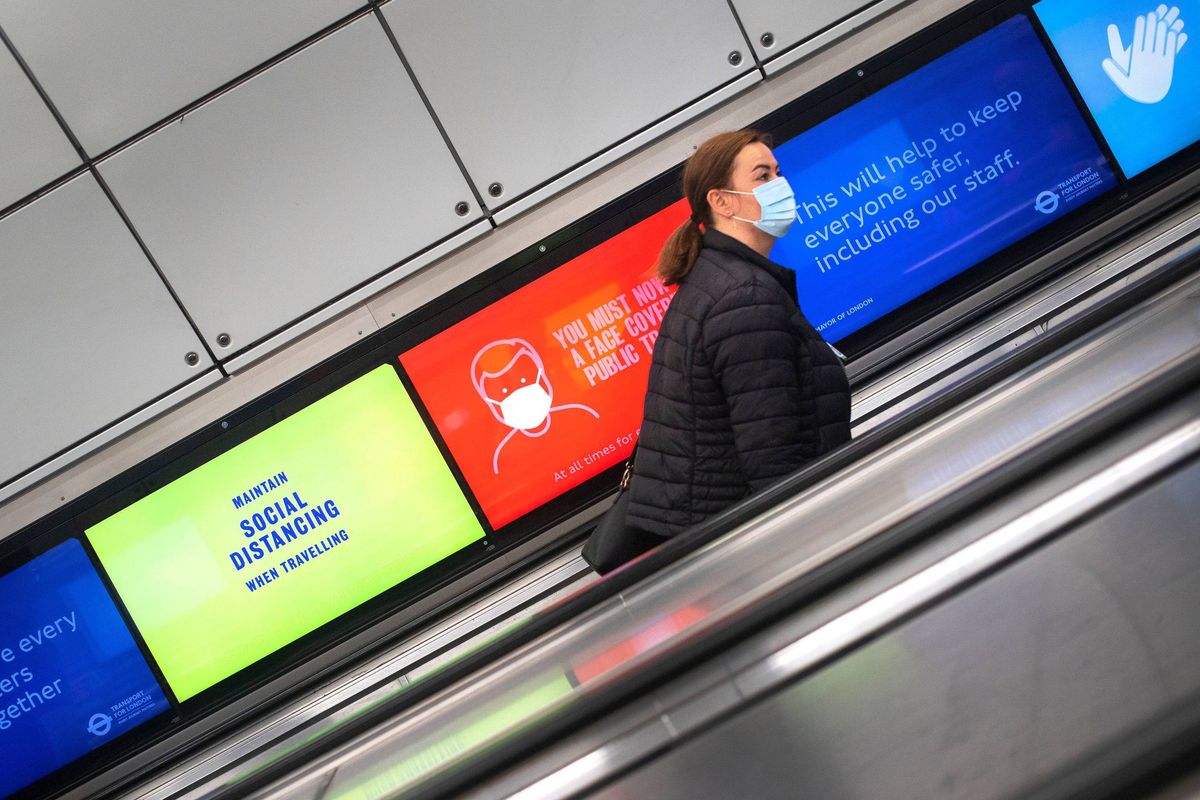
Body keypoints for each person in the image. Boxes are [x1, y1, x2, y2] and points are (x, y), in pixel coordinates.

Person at [625, 130, 851, 537]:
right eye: (762, 177)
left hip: (714, 531)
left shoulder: (716, 280)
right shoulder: (743, 299)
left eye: (779, 173)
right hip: (741, 541)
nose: (780, 186)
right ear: (722, 201)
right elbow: (772, 458)